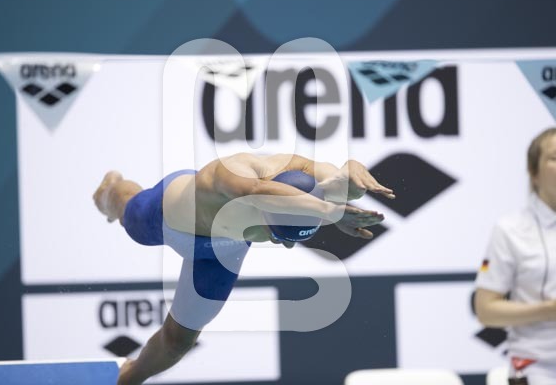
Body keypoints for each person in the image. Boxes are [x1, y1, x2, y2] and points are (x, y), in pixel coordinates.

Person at [93, 152, 395, 385]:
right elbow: (255, 189)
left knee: (177, 343)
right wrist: (331, 211)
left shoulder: (310, 178)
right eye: (277, 236)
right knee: (126, 209)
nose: (285, 246)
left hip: (223, 253)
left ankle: (126, 380)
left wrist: (351, 175)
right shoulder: (231, 175)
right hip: (167, 217)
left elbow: (342, 182)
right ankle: (110, 189)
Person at [475, 128, 556, 384]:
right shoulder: (510, 229)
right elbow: (486, 310)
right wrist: (549, 310)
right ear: (534, 172)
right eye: (554, 158)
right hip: (537, 367)